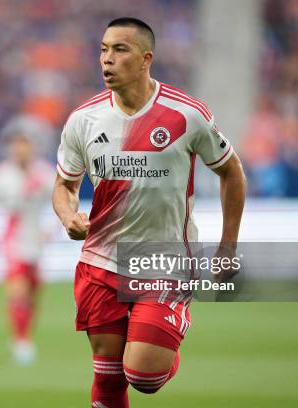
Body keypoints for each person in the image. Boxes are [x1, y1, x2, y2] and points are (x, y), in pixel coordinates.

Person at [52, 18, 246, 406]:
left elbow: (231, 172)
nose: (107, 59)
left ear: (145, 59)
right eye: (103, 49)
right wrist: (68, 216)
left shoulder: (186, 114)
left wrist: (227, 246)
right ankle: (152, 340)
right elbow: (64, 186)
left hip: (165, 259)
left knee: (142, 374)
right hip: (101, 262)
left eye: (119, 50)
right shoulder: (83, 120)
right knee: (107, 379)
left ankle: (164, 343)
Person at [0, 116, 55, 366]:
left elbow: (63, 201)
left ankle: (22, 334)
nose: (20, 148)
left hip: (35, 242)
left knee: (33, 293)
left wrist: (54, 228)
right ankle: (22, 342)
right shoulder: (1, 175)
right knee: (18, 291)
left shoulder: (44, 174)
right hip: (12, 241)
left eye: (25, 143)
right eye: (16, 143)